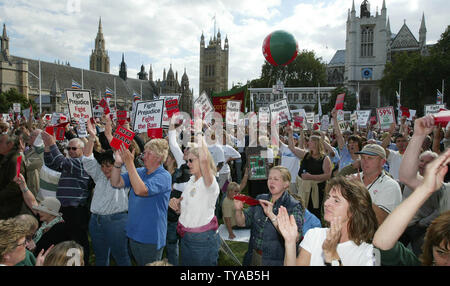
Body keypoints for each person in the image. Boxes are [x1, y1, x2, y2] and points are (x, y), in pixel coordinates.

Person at [373, 148, 450, 266]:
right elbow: (382, 243)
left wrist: (423, 223)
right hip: (406, 227)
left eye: (428, 162)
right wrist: (418, 134)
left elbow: (437, 212)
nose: (447, 261)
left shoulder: (441, 188)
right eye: (441, 252)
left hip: (421, 229)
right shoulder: (414, 182)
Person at [278, 176, 378, 266]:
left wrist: (332, 254)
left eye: (336, 200)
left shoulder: (367, 253)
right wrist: (290, 242)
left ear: (354, 210)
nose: (326, 203)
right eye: (328, 197)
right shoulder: (314, 235)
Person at [110, 139, 172, 266]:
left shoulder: (164, 176)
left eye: (148, 153)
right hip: (134, 233)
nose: (144, 156)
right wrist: (118, 163)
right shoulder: (139, 172)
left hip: (150, 237)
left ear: (159, 158)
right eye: (144, 152)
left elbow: (140, 190)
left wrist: (129, 163)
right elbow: (115, 182)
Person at [168, 128, 221, 266]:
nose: (188, 164)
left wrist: (199, 132)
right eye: (187, 161)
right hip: (186, 237)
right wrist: (177, 205)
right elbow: (186, 208)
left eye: (191, 160)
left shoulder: (209, 183)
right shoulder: (191, 180)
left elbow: (204, 159)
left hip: (202, 241)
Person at [82, 120, 131, 266]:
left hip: (116, 221)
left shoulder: (125, 175)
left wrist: (109, 135)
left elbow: (120, 154)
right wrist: (91, 137)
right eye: (103, 166)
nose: (105, 169)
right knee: (100, 258)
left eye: (109, 166)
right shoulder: (100, 176)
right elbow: (87, 159)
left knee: (121, 257)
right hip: (96, 221)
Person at [234, 165, 304, 266]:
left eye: (276, 179)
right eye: (270, 178)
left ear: (286, 184)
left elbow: (295, 237)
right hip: (253, 257)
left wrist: (271, 215)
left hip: (276, 261)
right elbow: (241, 223)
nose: (271, 181)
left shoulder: (294, 206)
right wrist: (238, 211)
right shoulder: (261, 198)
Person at [42, 132, 91, 265]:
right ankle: (69, 263)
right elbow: (51, 164)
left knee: (78, 242)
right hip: (65, 209)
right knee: (66, 240)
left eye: (73, 148)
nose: (70, 151)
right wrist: (47, 147)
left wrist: (52, 144)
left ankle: (82, 263)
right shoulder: (69, 162)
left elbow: (60, 161)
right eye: (68, 148)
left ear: (83, 150)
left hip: (76, 210)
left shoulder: (83, 163)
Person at [289, 126, 332, 220]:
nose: (308, 143)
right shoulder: (306, 155)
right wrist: (290, 133)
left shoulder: (325, 158)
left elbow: (328, 175)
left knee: (314, 212)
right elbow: (292, 148)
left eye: (311, 141)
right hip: (304, 188)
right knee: (303, 210)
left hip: (317, 190)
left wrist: (311, 177)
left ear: (316, 143)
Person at [354, 144, 402, 225]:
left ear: (382, 162)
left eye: (370, 158)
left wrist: (360, 191)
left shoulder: (391, 185)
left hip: (374, 236)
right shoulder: (352, 178)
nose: (364, 161)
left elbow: (382, 221)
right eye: (362, 157)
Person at [0, 132, 27, 219]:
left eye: (1, 142)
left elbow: (16, 186)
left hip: (8, 207)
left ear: (10, 144)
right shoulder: (5, 157)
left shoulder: (17, 160)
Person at [222, 169, 249, 240]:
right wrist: (231, 233)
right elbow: (227, 219)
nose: (238, 193)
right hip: (235, 224)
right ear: (229, 191)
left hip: (239, 216)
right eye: (236, 191)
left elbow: (243, 184)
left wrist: (246, 173)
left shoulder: (233, 194)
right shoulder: (226, 203)